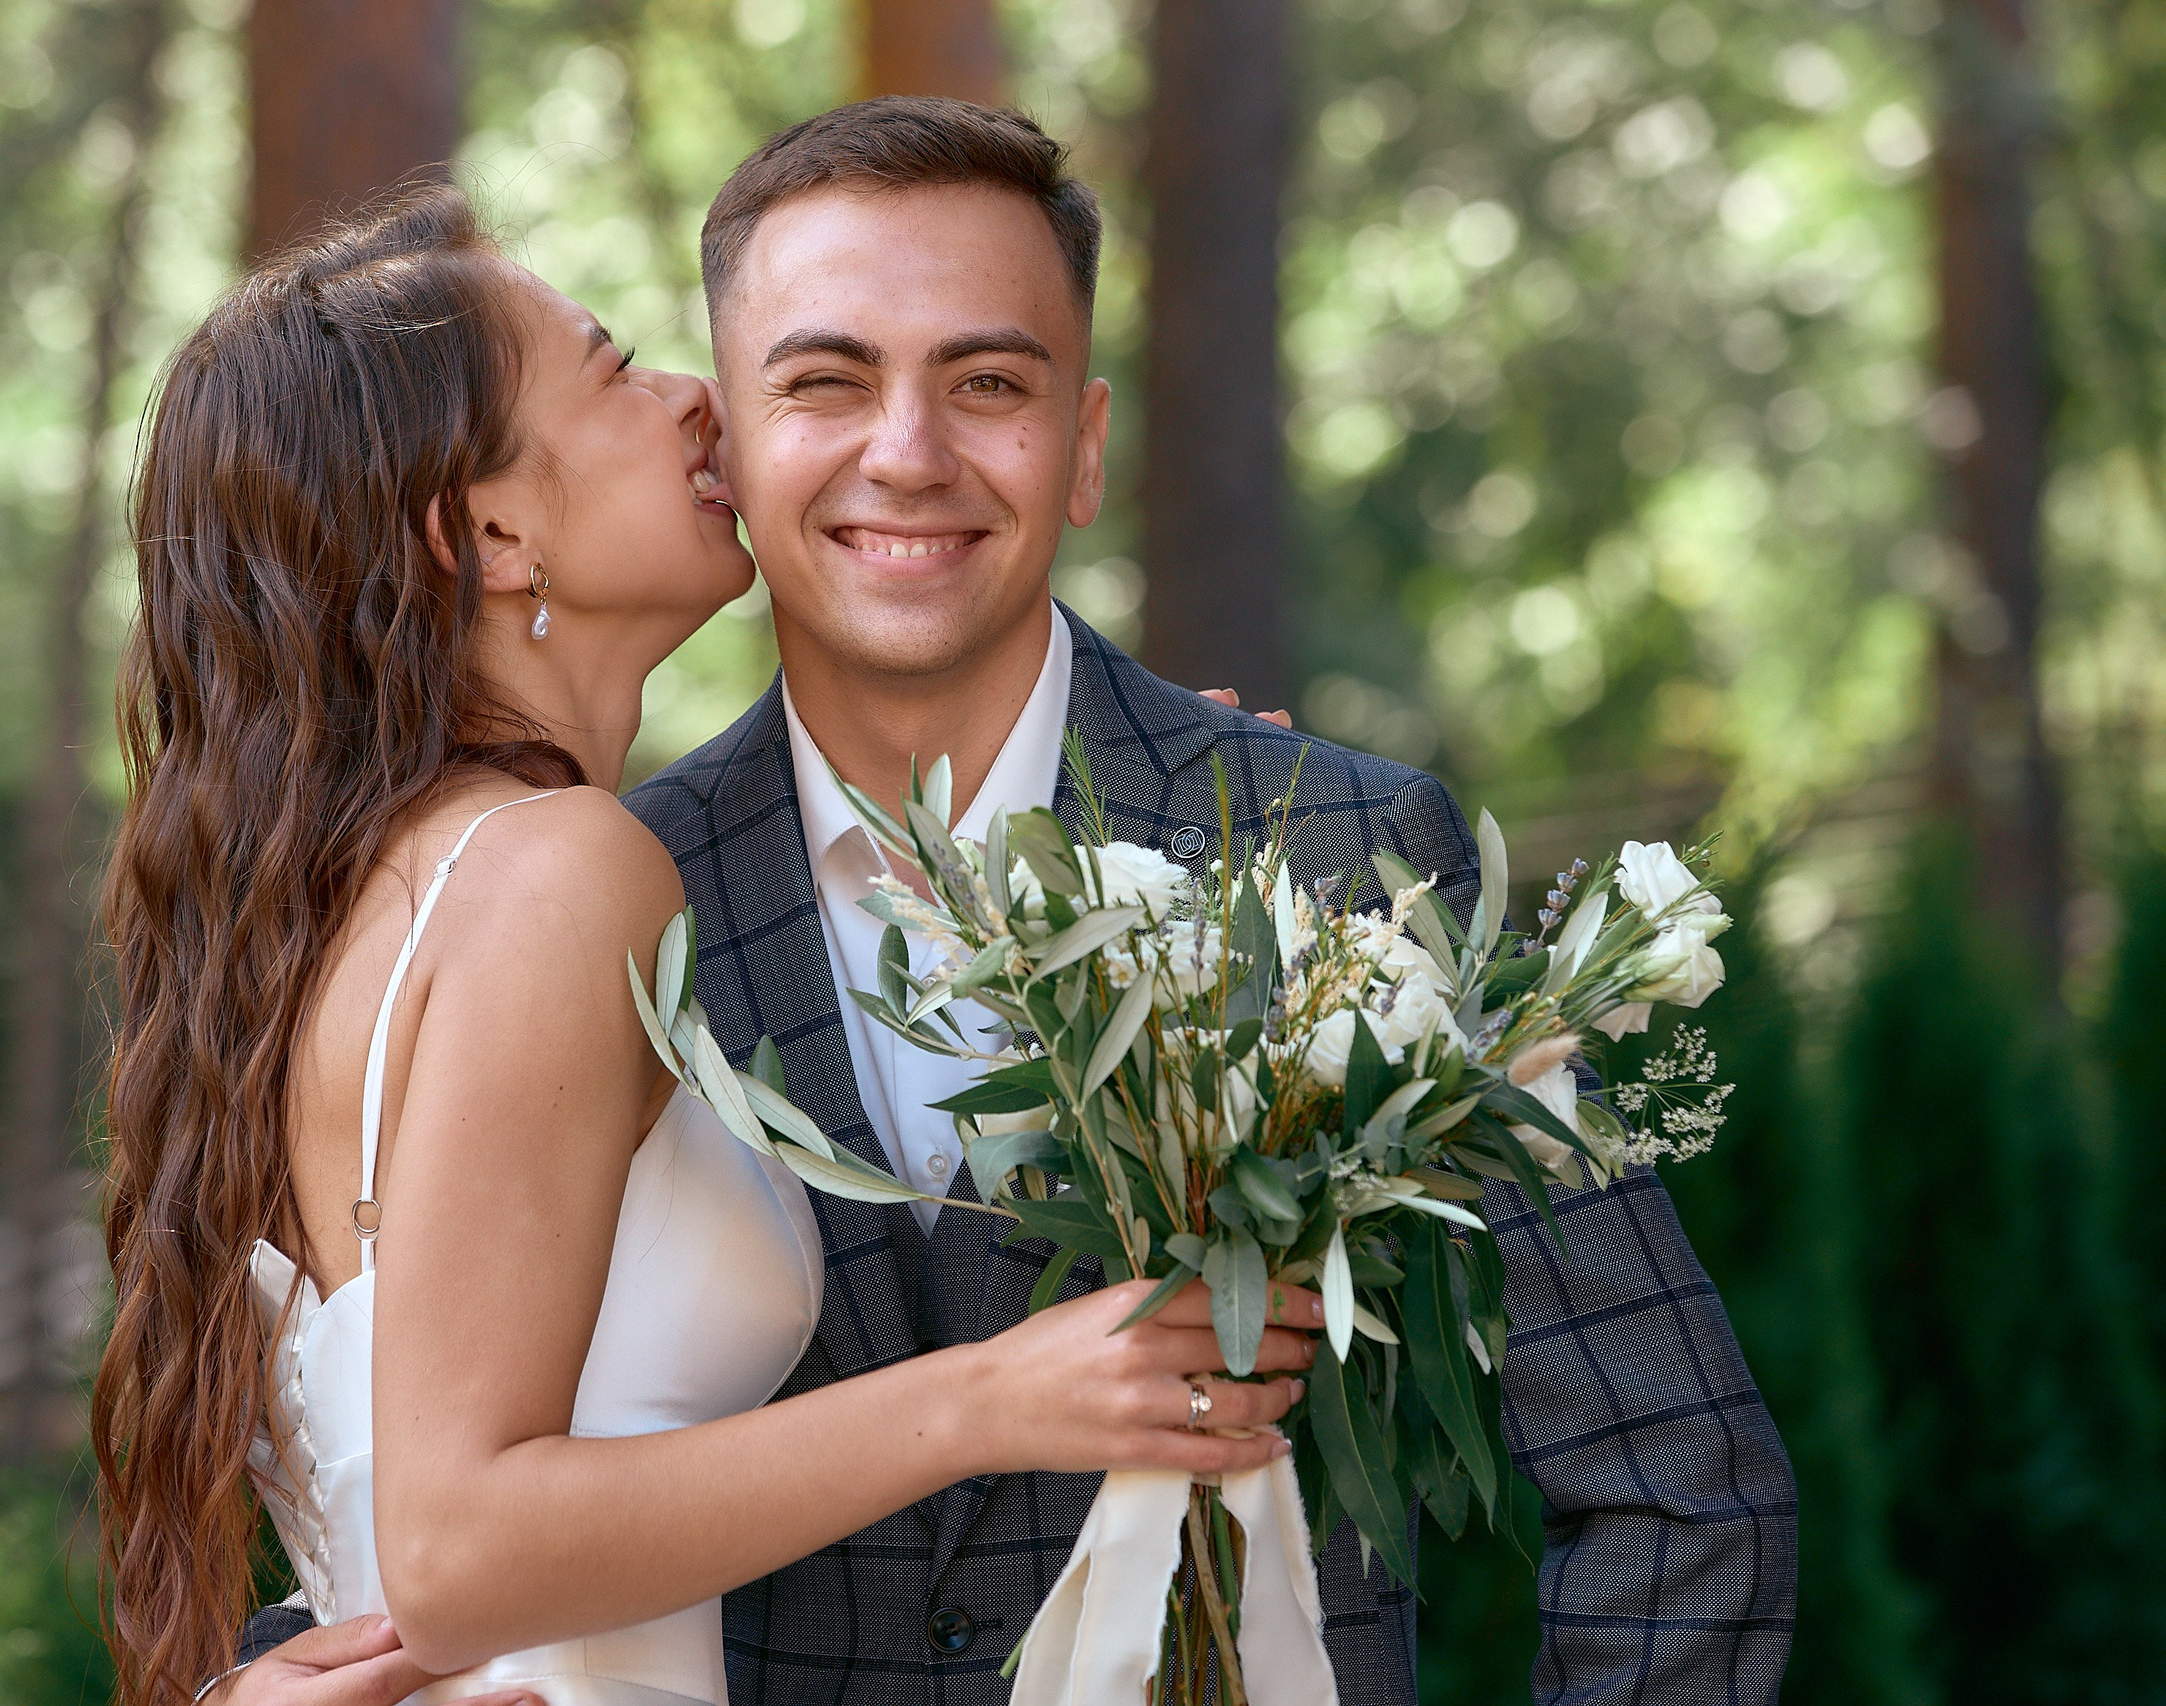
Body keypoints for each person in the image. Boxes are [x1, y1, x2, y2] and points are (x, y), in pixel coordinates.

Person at [217, 98, 1800, 1706]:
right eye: (825, 382)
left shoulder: (1340, 854)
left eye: (987, 383)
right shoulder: (594, 891)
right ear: (735, 453)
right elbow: (419, 1466)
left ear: (1087, 446)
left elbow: (1679, 1481)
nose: (908, 450)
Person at [90, 183, 1331, 1706]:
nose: (697, 398)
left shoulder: (386, 891)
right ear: (488, 529)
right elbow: (455, 1545)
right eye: (616, 371)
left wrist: (1150, 794)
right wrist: (1002, 1394)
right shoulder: (556, 875)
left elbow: (373, 1480)